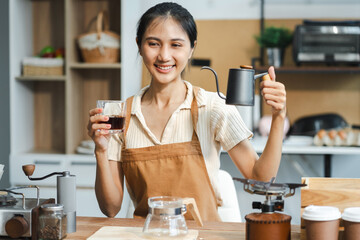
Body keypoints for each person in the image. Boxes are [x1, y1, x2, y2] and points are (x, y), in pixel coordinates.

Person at [87, 2, 286, 221]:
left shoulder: (212, 107)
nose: (164, 55)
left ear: (191, 48)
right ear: (139, 45)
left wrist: (278, 116)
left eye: (176, 45)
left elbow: (262, 179)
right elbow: (111, 208)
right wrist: (101, 151)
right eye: (153, 44)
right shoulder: (119, 115)